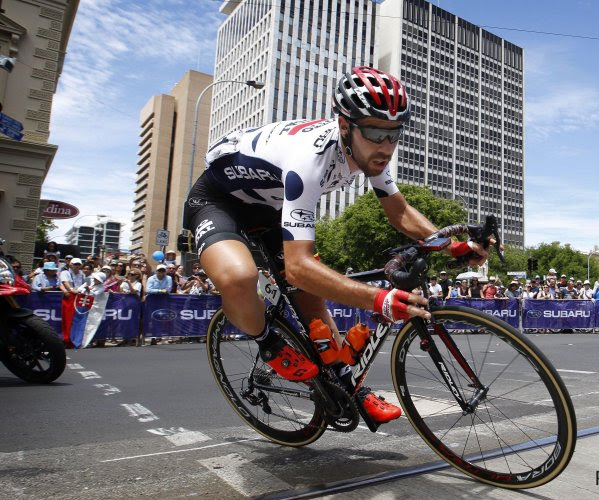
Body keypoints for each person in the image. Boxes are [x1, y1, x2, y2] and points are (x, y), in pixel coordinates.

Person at [183, 66, 494, 424]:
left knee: (310, 298)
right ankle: (268, 342)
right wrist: (379, 299)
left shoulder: (370, 153)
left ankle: (346, 385)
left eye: (394, 134)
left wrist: (452, 247)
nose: (386, 146)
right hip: (219, 201)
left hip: (271, 207)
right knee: (240, 277)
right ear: (345, 125)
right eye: (376, 132)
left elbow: (401, 212)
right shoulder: (309, 159)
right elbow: (299, 265)